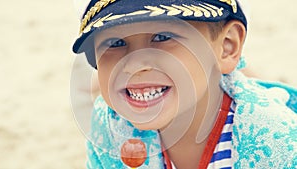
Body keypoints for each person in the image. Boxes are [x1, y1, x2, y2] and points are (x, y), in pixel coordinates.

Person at [72, 0, 297, 168]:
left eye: (162, 37)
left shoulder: (280, 143)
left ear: (226, 46)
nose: (135, 65)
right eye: (116, 42)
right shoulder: (108, 127)